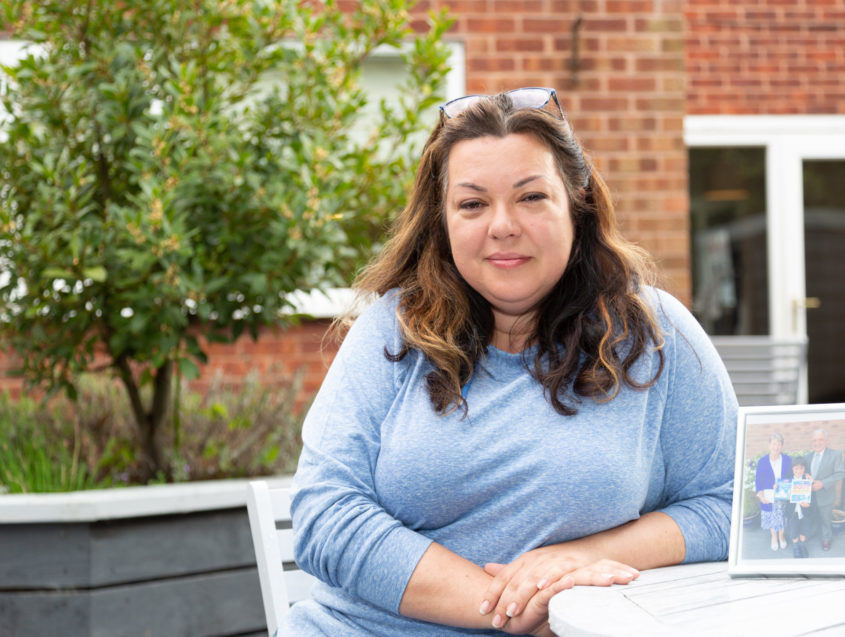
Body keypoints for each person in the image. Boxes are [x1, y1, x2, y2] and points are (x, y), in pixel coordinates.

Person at [286, 87, 737, 636]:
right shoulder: (393, 330)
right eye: (472, 204)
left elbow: (731, 505)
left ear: (578, 202)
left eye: (530, 197)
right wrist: (525, 609)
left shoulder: (653, 334)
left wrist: (579, 558)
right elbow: (324, 517)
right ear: (443, 220)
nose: (502, 225)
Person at [804, 429, 845, 551]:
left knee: (826, 519)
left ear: (826, 441)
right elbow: (804, 473)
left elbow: (840, 473)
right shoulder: (807, 457)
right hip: (810, 495)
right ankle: (813, 532)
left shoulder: (835, 454)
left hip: (826, 495)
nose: (817, 443)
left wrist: (823, 483)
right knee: (812, 516)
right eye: (814, 440)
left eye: (820, 440)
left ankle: (826, 538)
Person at [755, 433, 791, 552]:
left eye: (779, 444)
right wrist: (760, 495)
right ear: (769, 445)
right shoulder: (762, 461)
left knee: (781, 516)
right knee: (770, 516)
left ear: (782, 446)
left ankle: (781, 536)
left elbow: (790, 477)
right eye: (774, 443)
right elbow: (758, 479)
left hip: (782, 494)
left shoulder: (787, 459)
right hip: (768, 495)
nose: (776, 447)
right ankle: (774, 537)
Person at [785, 459, 812, 558]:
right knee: (794, 530)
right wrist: (778, 488)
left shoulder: (807, 480)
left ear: (804, 469)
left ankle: (802, 545)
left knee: (804, 530)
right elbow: (784, 496)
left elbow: (812, 496)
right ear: (792, 469)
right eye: (796, 468)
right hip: (793, 512)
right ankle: (796, 547)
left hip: (805, 511)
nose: (798, 471)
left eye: (801, 468)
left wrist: (809, 503)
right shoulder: (788, 481)